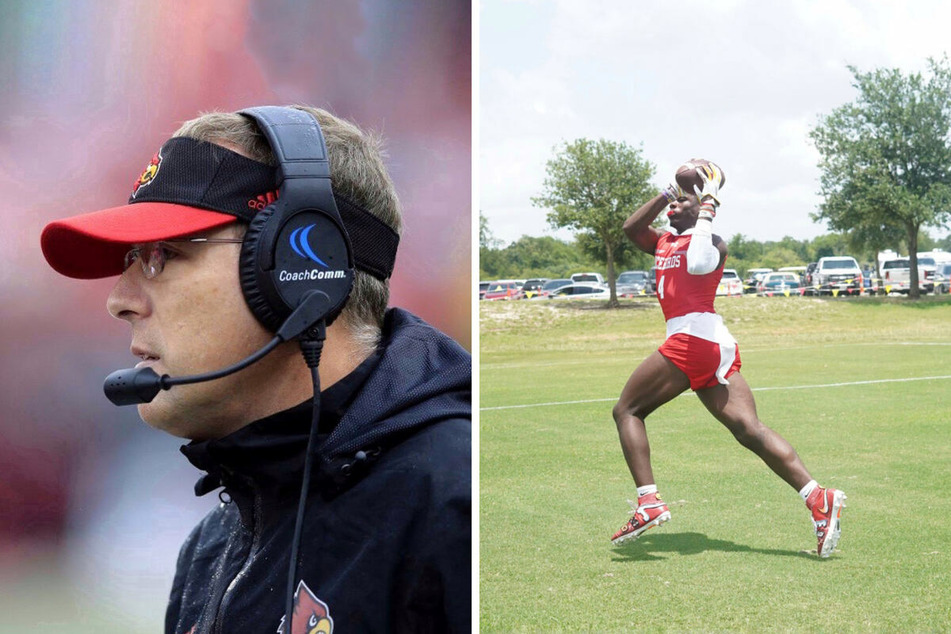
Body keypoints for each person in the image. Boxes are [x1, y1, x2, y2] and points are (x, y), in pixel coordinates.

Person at [40, 106, 471, 632]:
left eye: (163, 255)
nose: (120, 300)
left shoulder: (456, 502)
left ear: (300, 267)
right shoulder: (212, 546)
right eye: (131, 258)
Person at [610, 162, 845, 558]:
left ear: (702, 205)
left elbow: (700, 263)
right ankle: (817, 497)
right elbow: (630, 229)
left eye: (680, 202)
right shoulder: (665, 241)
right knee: (749, 431)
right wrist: (669, 192)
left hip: (693, 338)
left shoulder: (712, 241)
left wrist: (707, 205)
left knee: (627, 410)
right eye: (672, 202)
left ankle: (648, 501)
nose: (671, 208)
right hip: (709, 342)